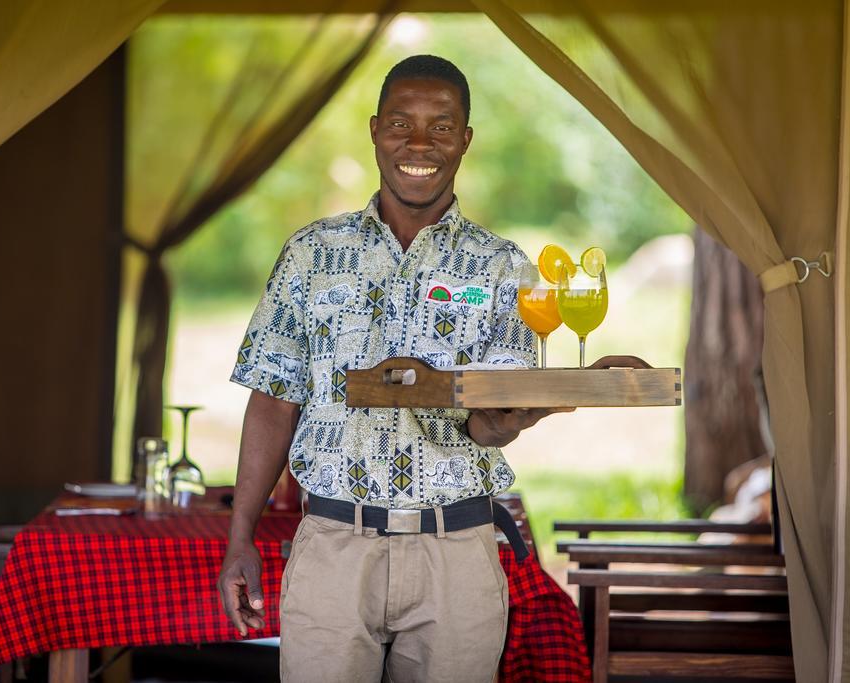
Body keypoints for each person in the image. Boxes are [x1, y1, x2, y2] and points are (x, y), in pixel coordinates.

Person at [218, 54, 637, 682]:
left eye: (441, 126)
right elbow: (274, 400)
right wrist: (239, 537)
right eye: (400, 123)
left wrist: (550, 399)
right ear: (374, 130)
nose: (419, 144)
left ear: (465, 140)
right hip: (335, 544)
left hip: (457, 553)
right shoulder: (312, 253)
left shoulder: (503, 268)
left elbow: (491, 424)